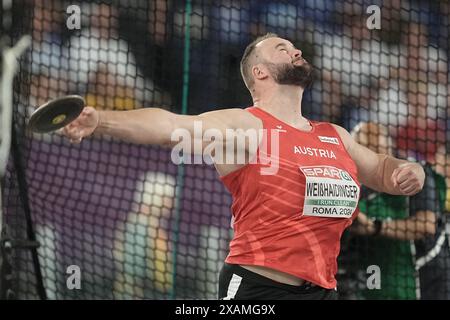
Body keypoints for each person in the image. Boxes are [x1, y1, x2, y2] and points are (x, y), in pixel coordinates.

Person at [61, 33, 425, 300]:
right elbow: (171, 126)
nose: (296, 50)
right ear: (259, 72)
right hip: (258, 291)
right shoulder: (247, 127)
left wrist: (409, 170)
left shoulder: (335, 135)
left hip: (324, 290)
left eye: (294, 47)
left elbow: (380, 169)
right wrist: (103, 121)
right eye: (282, 49)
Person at [340, 122, 441, 300]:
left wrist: (375, 227)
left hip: (417, 283)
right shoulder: (350, 184)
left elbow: (426, 225)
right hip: (370, 282)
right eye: (365, 150)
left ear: (388, 148)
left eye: (377, 150)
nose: (370, 157)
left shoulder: (413, 176)